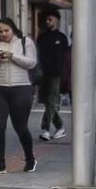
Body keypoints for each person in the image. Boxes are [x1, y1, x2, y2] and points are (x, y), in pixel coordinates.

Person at [0, 17, 39, 173]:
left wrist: (12, 56)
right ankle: (0, 163)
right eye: (0, 31)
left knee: (20, 126)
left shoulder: (24, 42)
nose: (3, 34)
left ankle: (30, 159)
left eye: (6, 31)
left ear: (13, 29)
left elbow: (31, 62)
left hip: (20, 88)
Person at [35, 11, 71, 141]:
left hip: (57, 74)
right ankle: (60, 126)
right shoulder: (42, 37)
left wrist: (65, 75)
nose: (47, 22)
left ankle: (45, 128)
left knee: (51, 100)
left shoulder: (62, 38)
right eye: (46, 20)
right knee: (47, 102)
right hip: (43, 74)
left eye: (50, 19)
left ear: (56, 20)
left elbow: (65, 58)